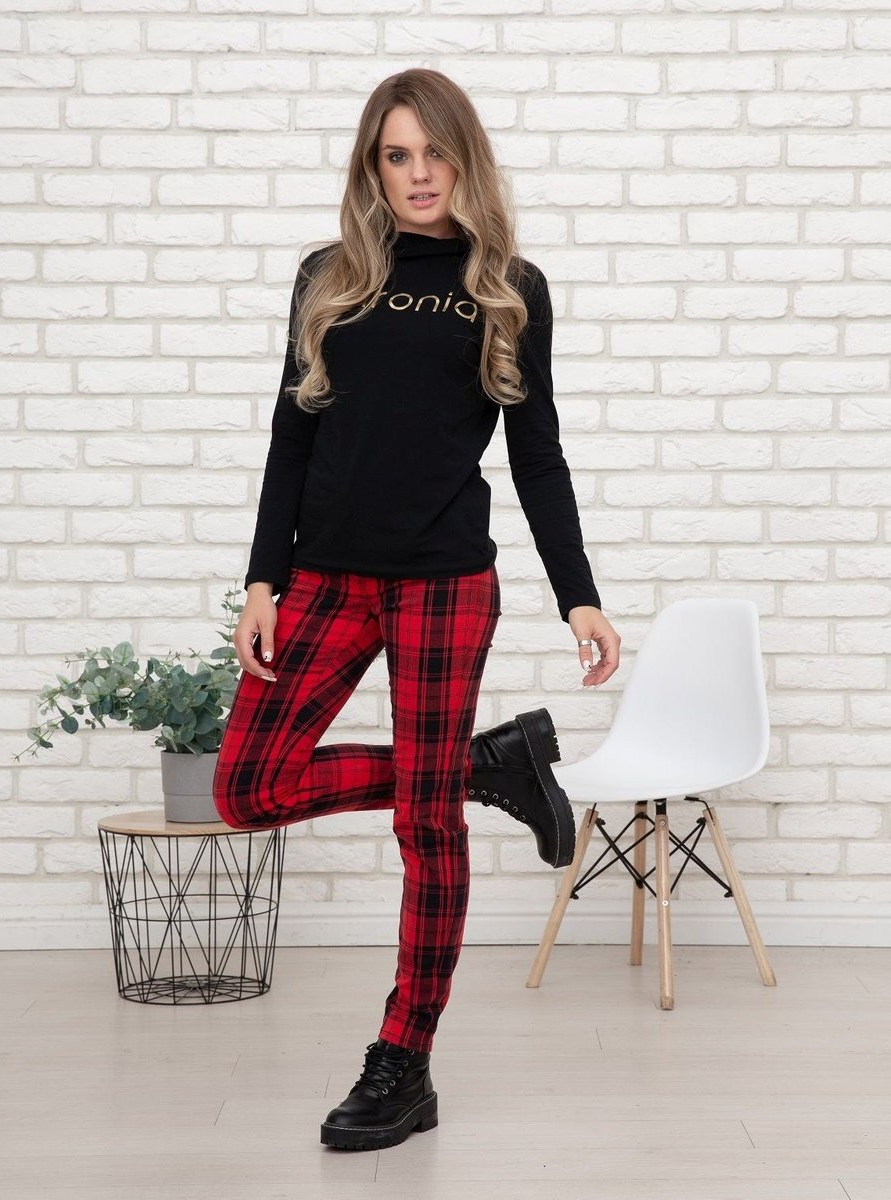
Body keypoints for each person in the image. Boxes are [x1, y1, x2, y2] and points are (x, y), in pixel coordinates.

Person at [212, 67, 621, 1152]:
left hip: (445, 581)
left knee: (423, 826)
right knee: (247, 788)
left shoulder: (509, 287)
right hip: (326, 578)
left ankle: (405, 1060)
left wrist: (579, 594)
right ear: (373, 167)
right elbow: (291, 434)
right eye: (396, 155)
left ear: (463, 158)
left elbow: (536, 453)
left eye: (434, 152)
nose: (418, 174)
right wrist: (262, 581)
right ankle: (486, 765)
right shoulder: (329, 276)